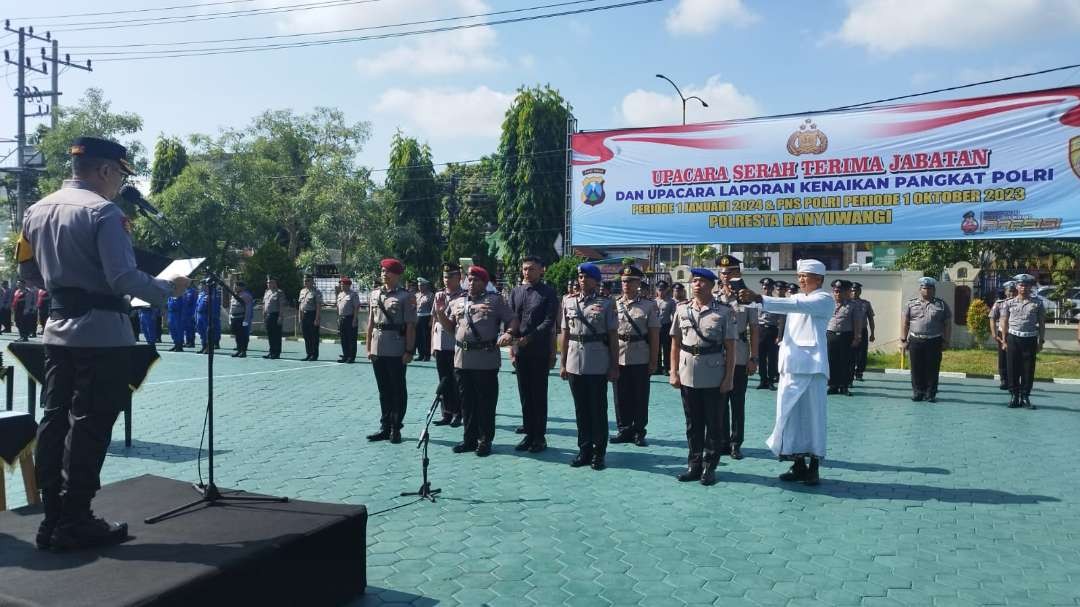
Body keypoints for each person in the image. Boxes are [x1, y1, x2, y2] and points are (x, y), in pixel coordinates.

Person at [17, 135, 190, 550]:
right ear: (106, 170)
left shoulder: (35, 210)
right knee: (90, 426)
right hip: (102, 335)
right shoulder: (104, 213)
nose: (118, 185)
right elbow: (123, 279)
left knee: (55, 421)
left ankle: (53, 518)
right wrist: (169, 288)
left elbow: (27, 274)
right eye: (119, 175)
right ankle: (77, 519)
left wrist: (68, 286)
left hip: (57, 332)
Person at [746, 259, 832, 486]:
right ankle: (798, 464)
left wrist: (759, 298)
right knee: (789, 417)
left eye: (806, 275)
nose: (801, 279)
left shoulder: (824, 299)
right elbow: (785, 305)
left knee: (813, 419)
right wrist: (746, 298)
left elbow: (794, 307)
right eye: (800, 275)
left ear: (819, 279)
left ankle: (813, 467)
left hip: (812, 368)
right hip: (791, 367)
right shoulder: (795, 299)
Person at [437, 266, 517, 456]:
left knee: (485, 402)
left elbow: (512, 319)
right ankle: (469, 439)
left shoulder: (495, 300)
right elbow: (451, 328)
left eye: (476, 280)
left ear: (485, 282)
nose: (471, 283)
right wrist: (440, 313)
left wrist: (509, 333)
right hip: (462, 359)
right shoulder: (458, 301)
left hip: (485, 359)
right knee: (466, 402)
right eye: (469, 280)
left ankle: (484, 440)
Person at [669, 268, 736, 486]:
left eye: (702, 281)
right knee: (692, 423)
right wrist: (673, 372)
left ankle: (710, 466)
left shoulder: (724, 312)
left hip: (714, 374)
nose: (697, 284)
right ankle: (694, 464)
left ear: (712, 285)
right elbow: (675, 344)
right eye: (694, 281)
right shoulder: (681, 309)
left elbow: (731, 348)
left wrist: (729, 378)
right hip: (688, 372)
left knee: (713, 423)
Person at [560, 262, 618, 471]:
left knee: (598, 409)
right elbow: (565, 334)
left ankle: (599, 452)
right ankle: (584, 449)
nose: (582, 280)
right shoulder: (568, 301)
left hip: (597, 361)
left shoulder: (607, 303)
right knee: (581, 409)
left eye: (587, 277)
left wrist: (614, 365)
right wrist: (563, 362)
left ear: (596, 280)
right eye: (580, 277)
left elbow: (612, 336)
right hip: (575, 361)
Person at [508, 255, 559, 453]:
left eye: (531, 269)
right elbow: (511, 319)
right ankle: (529, 433)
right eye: (525, 269)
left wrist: (530, 337)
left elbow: (549, 322)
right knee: (525, 395)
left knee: (538, 394)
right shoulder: (516, 292)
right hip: (521, 351)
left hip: (538, 351)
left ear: (541, 270)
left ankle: (540, 437)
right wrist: (512, 345)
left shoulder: (548, 293)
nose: (527, 272)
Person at [366, 258, 417, 443]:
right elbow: (371, 323)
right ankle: (385, 426)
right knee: (383, 390)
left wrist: (409, 350)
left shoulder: (405, 296)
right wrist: (368, 347)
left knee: (397, 389)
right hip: (378, 347)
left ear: (397, 274)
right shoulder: (374, 295)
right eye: (382, 271)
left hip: (396, 348)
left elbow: (410, 326)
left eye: (387, 271)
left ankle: (396, 426)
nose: (383, 274)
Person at [611, 265, 660, 447]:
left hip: (640, 354)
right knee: (620, 395)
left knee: (640, 395)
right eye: (623, 281)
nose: (626, 284)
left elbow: (654, 335)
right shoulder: (613, 304)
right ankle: (624, 429)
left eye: (630, 281)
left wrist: (654, 360)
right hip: (620, 354)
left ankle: (639, 431)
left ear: (638, 283)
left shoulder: (648, 305)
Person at [720, 276, 758, 460]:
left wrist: (754, 358)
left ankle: (736, 443)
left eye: (729, 275)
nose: (726, 280)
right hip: (718, 357)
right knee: (719, 403)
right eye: (723, 275)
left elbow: (754, 330)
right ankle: (723, 442)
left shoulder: (747, 299)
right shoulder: (715, 299)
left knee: (737, 403)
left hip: (740, 356)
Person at [900, 277, 952, 403]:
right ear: (920, 289)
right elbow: (904, 322)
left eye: (930, 288)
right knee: (916, 367)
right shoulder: (911, 304)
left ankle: (930, 393)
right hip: (915, 340)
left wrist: (946, 341)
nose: (927, 291)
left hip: (934, 340)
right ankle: (918, 392)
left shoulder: (941, 304)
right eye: (925, 288)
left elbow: (947, 324)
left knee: (932, 368)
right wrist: (903, 339)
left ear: (934, 290)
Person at [1000, 274, 1045, 409]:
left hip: (1030, 339)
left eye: (1026, 285)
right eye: (1021, 285)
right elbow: (1004, 321)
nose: (1023, 288)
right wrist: (1003, 340)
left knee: (1028, 369)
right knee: (1012, 368)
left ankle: (1025, 397)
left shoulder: (1037, 303)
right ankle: (1014, 396)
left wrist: (1040, 341)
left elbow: (1042, 323)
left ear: (1030, 287)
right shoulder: (1009, 303)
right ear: (1016, 286)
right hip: (1013, 338)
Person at [432, 263, 467, 427]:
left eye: (450, 277)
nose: (446, 280)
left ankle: (458, 413)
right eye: (445, 277)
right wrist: (433, 344)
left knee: (456, 381)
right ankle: (446, 412)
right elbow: (434, 320)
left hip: (454, 345)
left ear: (459, 277)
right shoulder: (439, 295)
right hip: (440, 344)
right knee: (443, 380)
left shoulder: (464, 296)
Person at [826, 279, 863, 396]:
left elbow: (857, 323)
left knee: (846, 362)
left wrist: (857, 338)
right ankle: (832, 385)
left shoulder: (853, 305)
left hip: (846, 336)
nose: (837, 294)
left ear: (845, 292)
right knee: (831, 361)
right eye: (835, 291)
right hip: (831, 335)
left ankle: (844, 386)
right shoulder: (828, 303)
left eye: (840, 291)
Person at [990, 282, 1017, 390]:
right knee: (1003, 357)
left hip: (1015, 333)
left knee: (1016, 357)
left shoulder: (1019, 302)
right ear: (1005, 292)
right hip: (1003, 333)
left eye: (1013, 291)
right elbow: (992, 317)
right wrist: (993, 333)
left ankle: (1014, 380)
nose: (1011, 293)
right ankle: (1004, 379)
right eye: (1009, 291)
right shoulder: (999, 303)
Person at [756, 278, 782, 390]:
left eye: (769, 287)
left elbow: (781, 320)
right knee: (760, 357)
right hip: (760, 330)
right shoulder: (757, 301)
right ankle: (763, 380)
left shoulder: (776, 301)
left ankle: (771, 381)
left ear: (772, 288)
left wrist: (779, 335)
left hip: (772, 330)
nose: (766, 289)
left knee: (772, 357)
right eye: (765, 287)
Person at [850, 282, 875, 381]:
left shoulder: (865, 304)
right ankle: (850, 372)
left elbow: (871, 319)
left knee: (862, 353)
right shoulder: (847, 303)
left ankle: (859, 372)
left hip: (862, 331)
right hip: (850, 331)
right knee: (850, 353)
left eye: (856, 290)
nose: (854, 292)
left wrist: (872, 333)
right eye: (852, 290)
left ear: (860, 291)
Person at [298, 274, 323, 361]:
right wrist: (300, 318)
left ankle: (314, 355)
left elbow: (318, 306)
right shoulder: (302, 291)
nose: (306, 282)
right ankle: (308, 354)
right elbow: (300, 305)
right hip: (304, 315)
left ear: (312, 281)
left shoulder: (316, 292)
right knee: (306, 336)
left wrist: (317, 318)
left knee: (314, 337)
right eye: (305, 280)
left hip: (312, 315)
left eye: (308, 280)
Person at [654, 280, 676, 376]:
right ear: (657, 290)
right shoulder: (653, 301)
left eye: (663, 290)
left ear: (666, 290)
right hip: (655, 327)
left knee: (667, 349)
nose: (661, 292)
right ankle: (657, 367)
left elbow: (674, 315)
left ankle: (667, 368)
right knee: (656, 348)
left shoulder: (671, 302)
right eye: (659, 290)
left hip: (666, 326)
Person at [336, 277, 360, 363]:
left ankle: (351, 357)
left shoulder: (353, 294)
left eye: (343, 284)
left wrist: (354, 319)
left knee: (351, 339)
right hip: (342, 318)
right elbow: (338, 308)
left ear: (348, 285)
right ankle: (345, 356)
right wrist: (338, 319)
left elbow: (356, 308)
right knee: (343, 339)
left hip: (350, 318)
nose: (341, 285)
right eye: (341, 284)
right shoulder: (340, 294)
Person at [229, 281, 254, 358]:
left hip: (241, 318)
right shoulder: (234, 295)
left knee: (243, 336)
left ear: (242, 287)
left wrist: (246, 320)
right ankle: (239, 350)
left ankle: (243, 351)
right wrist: (230, 317)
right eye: (234, 286)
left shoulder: (246, 296)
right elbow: (232, 307)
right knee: (237, 336)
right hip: (234, 318)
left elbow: (248, 308)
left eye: (236, 286)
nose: (235, 288)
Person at [195, 280, 221, 354]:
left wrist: (212, 317)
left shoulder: (213, 295)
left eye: (202, 285)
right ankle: (203, 346)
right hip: (200, 315)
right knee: (201, 332)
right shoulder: (202, 294)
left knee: (208, 333)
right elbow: (197, 306)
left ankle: (208, 348)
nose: (201, 286)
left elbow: (214, 308)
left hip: (207, 316)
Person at [262, 276, 284, 359]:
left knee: (276, 335)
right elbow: (264, 305)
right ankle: (271, 351)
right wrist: (263, 316)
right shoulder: (267, 292)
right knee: (270, 335)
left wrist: (280, 317)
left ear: (275, 283)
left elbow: (281, 306)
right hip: (268, 315)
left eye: (270, 282)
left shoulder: (279, 292)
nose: (269, 284)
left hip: (276, 315)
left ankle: (276, 352)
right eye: (268, 282)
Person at [414, 278, 434, 362]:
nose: (420, 287)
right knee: (418, 337)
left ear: (426, 286)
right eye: (419, 286)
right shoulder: (417, 295)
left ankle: (427, 355)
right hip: (417, 317)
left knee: (426, 337)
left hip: (426, 317)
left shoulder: (430, 295)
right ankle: (421, 354)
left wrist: (431, 320)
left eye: (422, 285)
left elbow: (433, 309)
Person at [182, 283, 198, 348]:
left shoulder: (193, 291)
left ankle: (191, 342)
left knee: (191, 328)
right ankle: (188, 341)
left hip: (191, 312)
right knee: (186, 328)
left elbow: (192, 302)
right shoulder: (185, 291)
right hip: (185, 312)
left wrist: (194, 313)